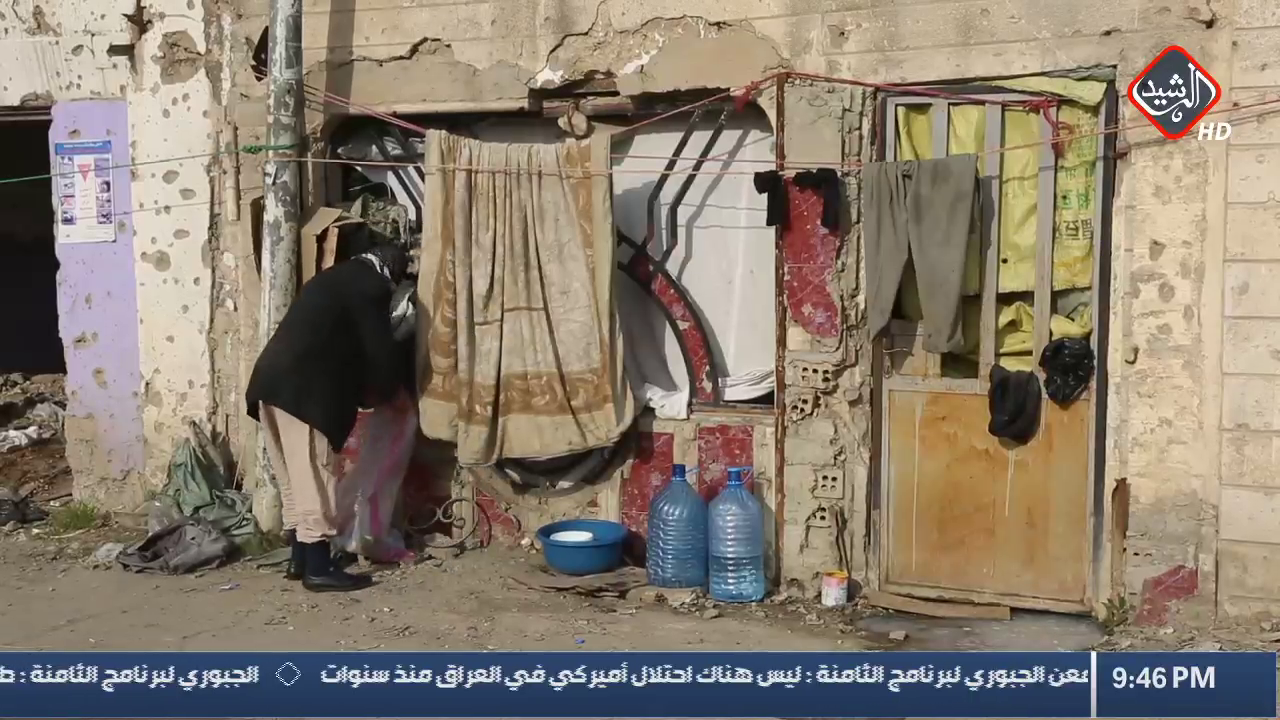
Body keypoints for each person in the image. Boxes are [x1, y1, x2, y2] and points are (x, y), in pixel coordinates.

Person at [245, 243, 410, 592]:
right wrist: (388, 390)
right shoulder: (371, 286)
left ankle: (300, 559)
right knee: (316, 478)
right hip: (305, 394)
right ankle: (319, 569)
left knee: (294, 479)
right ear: (391, 272)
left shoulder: (334, 278)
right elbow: (379, 351)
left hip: (269, 385)